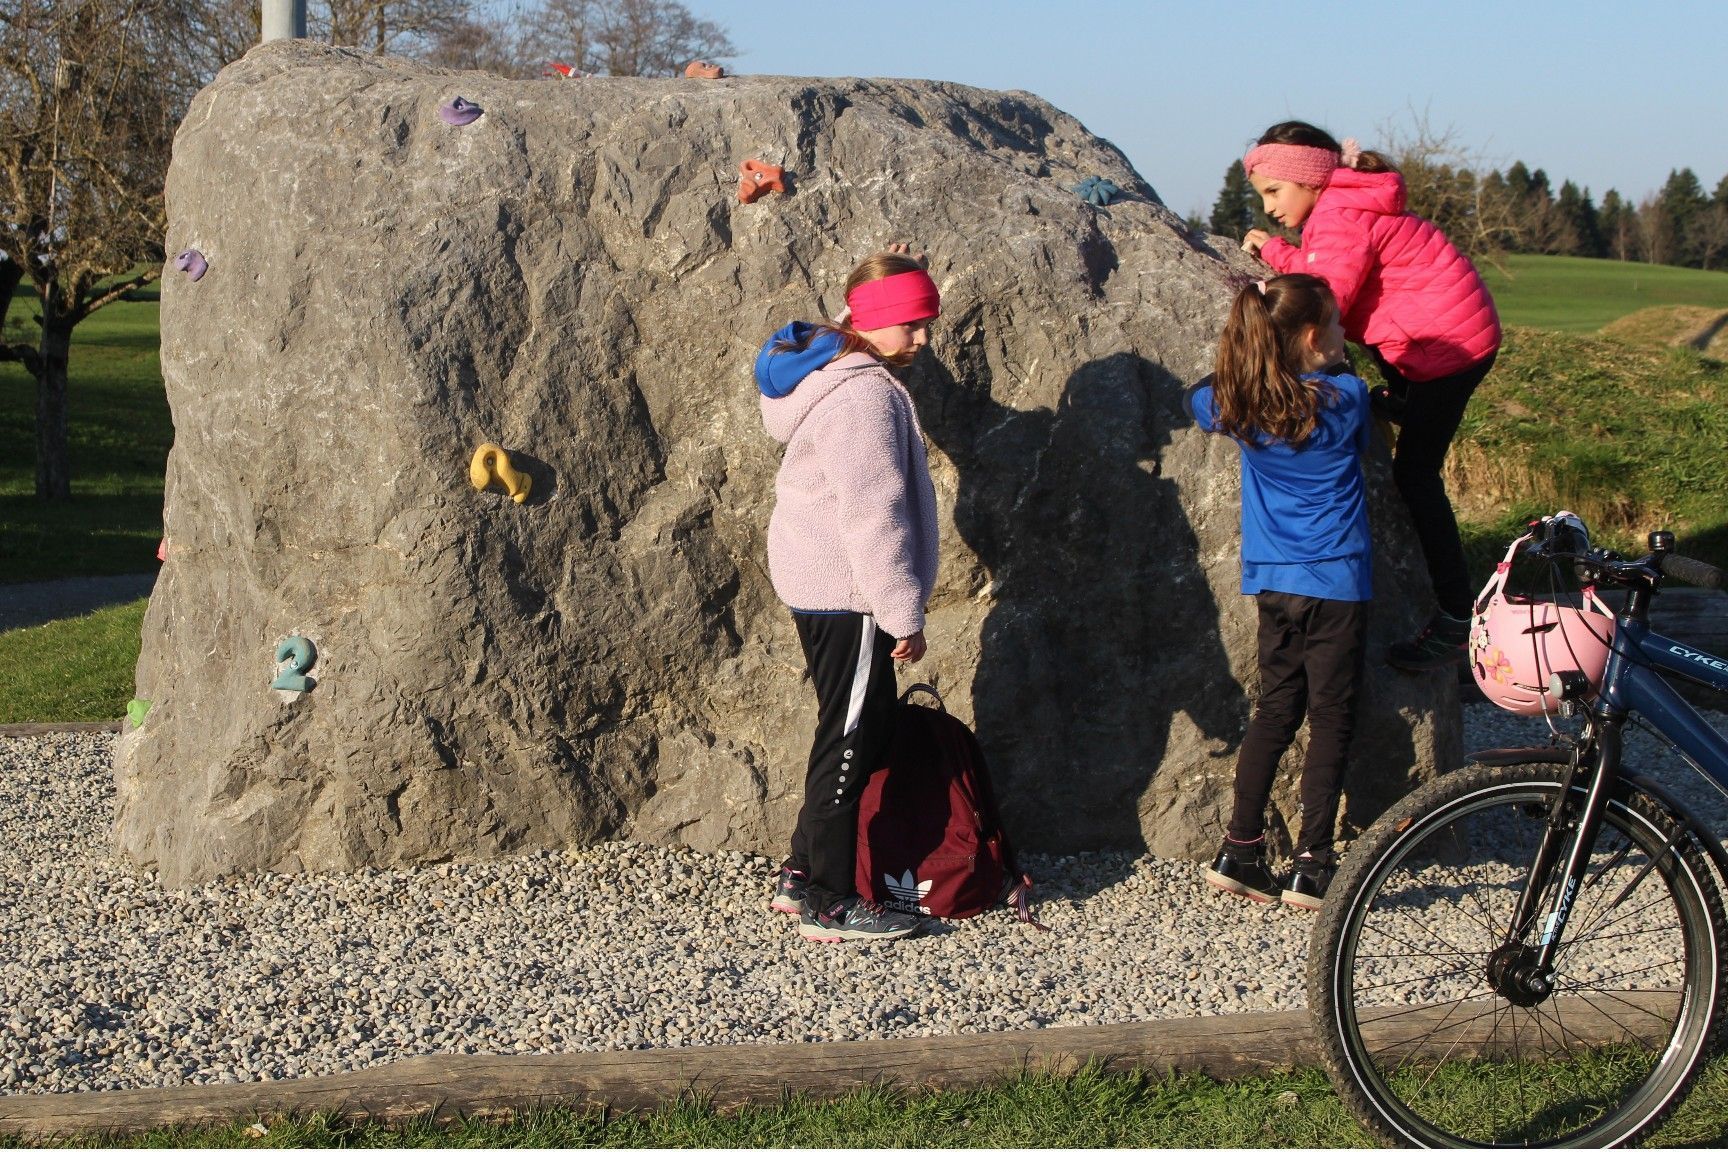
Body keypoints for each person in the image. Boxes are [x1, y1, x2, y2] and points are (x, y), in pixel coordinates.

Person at [1240, 120, 1501, 671]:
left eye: (1274, 191)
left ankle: (1458, 615)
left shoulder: (1338, 215)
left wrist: (1276, 257)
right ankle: (1401, 401)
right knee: (1387, 362)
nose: (1269, 207)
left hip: (1446, 353)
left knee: (1416, 476)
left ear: (1309, 179)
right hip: (1445, 333)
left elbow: (1324, 298)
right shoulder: (1346, 201)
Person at [755, 246, 942, 943]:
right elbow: (873, 513)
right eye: (912, 324)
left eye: (927, 324)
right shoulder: (862, 396)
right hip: (849, 587)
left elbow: (861, 318)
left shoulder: (831, 370)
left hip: (823, 582)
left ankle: (801, 873)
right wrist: (902, 613)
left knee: (855, 724)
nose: (922, 340)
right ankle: (828, 900)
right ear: (874, 321)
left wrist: (884, 278)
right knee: (851, 737)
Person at [1190, 274, 1371, 910]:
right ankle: (1312, 865)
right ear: (1316, 337)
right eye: (1338, 324)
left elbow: (1195, 395)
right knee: (1331, 716)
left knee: (1275, 709)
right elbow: (1355, 410)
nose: (1346, 334)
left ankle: (1240, 849)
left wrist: (1251, 356)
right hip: (1338, 581)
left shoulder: (1238, 405)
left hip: (1273, 581)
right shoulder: (1347, 397)